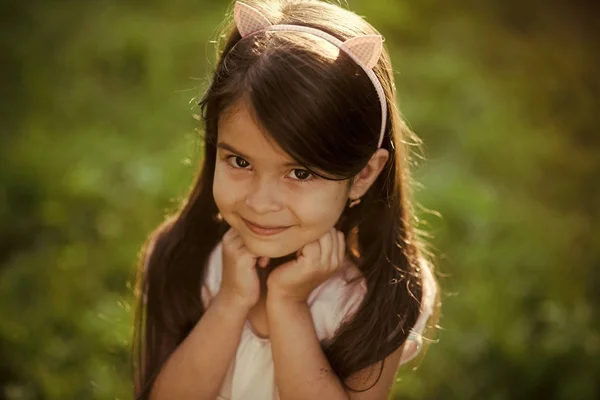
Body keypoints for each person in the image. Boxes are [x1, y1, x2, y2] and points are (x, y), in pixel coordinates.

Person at [132, 1, 439, 399]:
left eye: (300, 173)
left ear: (363, 174)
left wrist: (289, 305)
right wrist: (230, 301)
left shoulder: (378, 294)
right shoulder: (187, 254)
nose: (261, 203)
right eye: (239, 161)